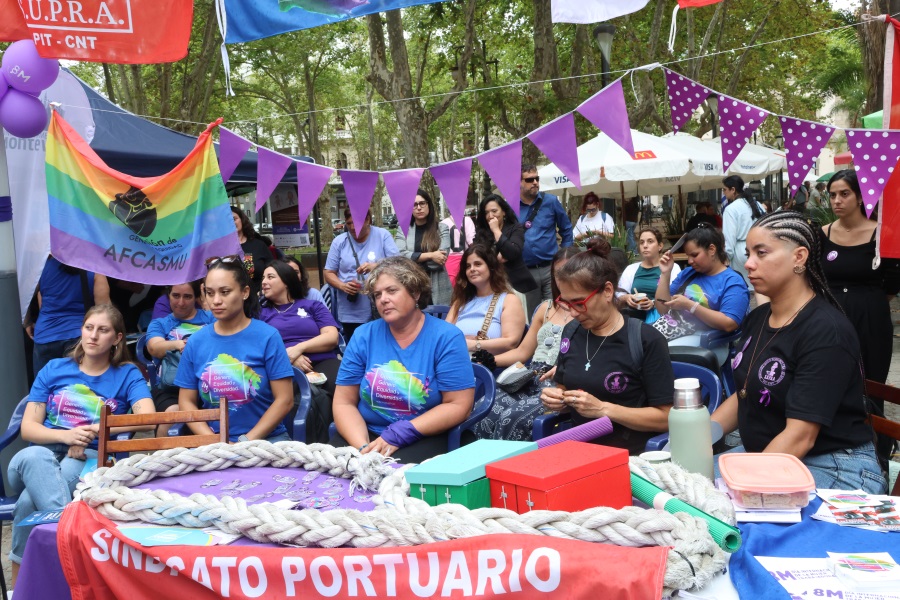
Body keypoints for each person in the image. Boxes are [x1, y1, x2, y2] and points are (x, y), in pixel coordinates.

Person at [711, 211, 886, 493]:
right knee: (682, 484)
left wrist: (743, 489)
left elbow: (800, 437)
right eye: (748, 253)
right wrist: (690, 445)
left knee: (719, 509)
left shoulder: (826, 331)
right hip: (771, 454)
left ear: (799, 257)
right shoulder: (758, 318)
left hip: (832, 466)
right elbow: (744, 393)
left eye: (761, 252)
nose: (749, 264)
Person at [9, 304, 154, 583]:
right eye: (89, 328)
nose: (93, 336)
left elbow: (148, 418)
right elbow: (29, 428)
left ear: (118, 338)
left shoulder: (126, 374)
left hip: (85, 456)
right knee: (35, 456)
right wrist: (66, 436)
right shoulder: (55, 369)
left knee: (29, 502)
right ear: (81, 330)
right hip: (39, 456)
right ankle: (72, 540)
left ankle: (21, 587)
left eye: (103, 330)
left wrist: (95, 430)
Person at [330, 256, 475, 462]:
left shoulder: (446, 337)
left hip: (423, 434)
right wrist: (364, 448)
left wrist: (402, 432)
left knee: (393, 481)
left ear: (415, 292)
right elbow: (344, 403)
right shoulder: (364, 335)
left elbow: (459, 405)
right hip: (366, 434)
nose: (383, 299)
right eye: (377, 294)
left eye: (392, 291)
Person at [539, 238, 674, 455]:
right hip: (578, 448)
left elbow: (667, 417)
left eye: (579, 303)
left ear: (608, 291)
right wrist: (559, 398)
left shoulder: (645, 340)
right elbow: (565, 386)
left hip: (629, 455)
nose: (573, 312)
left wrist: (603, 409)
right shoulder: (572, 331)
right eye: (566, 303)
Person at [175, 256, 294, 443]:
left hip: (267, 441)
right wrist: (216, 441)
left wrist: (245, 442)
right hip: (213, 445)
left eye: (225, 292)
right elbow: (186, 402)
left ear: (245, 292)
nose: (216, 300)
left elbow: (285, 400)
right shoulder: (196, 341)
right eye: (210, 292)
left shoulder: (268, 336)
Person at [474, 247, 581, 441]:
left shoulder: (587, 311)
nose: (563, 278)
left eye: (570, 271)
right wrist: (490, 360)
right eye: (558, 273)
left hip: (559, 381)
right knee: (483, 408)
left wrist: (565, 369)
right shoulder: (545, 308)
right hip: (528, 376)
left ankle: (505, 468)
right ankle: (480, 466)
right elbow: (523, 352)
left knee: (511, 419)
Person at [820, 170, 900, 385]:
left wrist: (866, 300)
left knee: (870, 382)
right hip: (831, 316)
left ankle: (871, 419)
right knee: (831, 379)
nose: (837, 200)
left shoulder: (883, 234)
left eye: (845, 194)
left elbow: (893, 280)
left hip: (871, 318)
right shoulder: (822, 234)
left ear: (861, 197)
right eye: (833, 194)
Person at [260, 260, 341, 443]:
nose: (264, 281)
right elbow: (258, 344)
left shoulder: (312, 306)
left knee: (343, 384)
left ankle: (341, 436)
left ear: (286, 281)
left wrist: (297, 349)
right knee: (294, 398)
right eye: (263, 277)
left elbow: (330, 337)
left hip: (321, 361)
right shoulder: (261, 312)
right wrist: (287, 356)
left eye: (270, 277)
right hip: (282, 367)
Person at [655, 224, 750, 345]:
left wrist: (690, 306)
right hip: (674, 331)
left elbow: (730, 323)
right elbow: (662, 308)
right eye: (688, 256)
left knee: (654, 351)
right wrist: (665, 273)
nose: (689, 261)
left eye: (694, 255)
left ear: (712, 249)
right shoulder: (688, 274)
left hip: (710, 341)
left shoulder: (732, 281)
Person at [145, 281, 214, 437]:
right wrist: (180, 344)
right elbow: (154, 348)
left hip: (209, 387)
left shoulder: (210, 319)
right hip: (172, 388)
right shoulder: (161, 323)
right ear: (168, 295)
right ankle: (163, 460)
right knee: (171, 417)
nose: (181, 302)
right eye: (175, 296)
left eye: (187, 296)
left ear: (197, 297)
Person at [324, 209, 399, 340]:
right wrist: (343, 286)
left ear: (368, 220)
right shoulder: (339, 242)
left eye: (356, 223)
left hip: (381, 305)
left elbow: (398, 264)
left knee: (383, 344)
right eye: (349, 223)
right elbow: (329, 272)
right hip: (351, 310)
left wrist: (376, 266)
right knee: (356, 348)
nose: (352, 227)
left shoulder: (382, 235)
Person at [29, 256, 110, 377]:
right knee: (78, 392)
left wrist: (27, 321)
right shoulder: (94, 268)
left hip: (45, 336)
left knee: (45, 390)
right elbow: (104, 313)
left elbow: (25, 297)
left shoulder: (41, 266)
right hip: (79, 337)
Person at [446, 244, 526, 356]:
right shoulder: (461, 301)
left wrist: (473, 344)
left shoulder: (508, 300)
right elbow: (444, 336)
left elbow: (511, 342)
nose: (472, 269)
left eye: (478, 264)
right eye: (468, 266)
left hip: (490, 367)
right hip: (456, 360)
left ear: (491, 267)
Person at [474, 194, 541, 318]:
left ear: (503, 212)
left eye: (494, 211)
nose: (490, 216)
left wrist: (496, 231)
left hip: (518, 285)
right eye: (487, 212)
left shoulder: (515, 228)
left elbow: (512, 252)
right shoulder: (481, 234)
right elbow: (478, 257)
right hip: (491, 287)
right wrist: (496, 258)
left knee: (523, 323)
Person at [518, 163, 574, 303]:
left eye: (537, 178)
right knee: (532, 316)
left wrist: (565, 257)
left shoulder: (551, 201)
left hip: (550, 269)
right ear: (518, 182)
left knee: (556, 309)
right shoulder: (511, 207)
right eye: (529, 180)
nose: (535, 182)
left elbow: (566, 229)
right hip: (525, 272)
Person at [394, 189, 452, 305]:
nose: (419, 208)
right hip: (411, 286)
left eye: (422, 203)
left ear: (429, 205)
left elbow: (439, 261)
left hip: (437, 287)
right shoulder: (403, 230)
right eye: (414, 205)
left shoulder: (441, 228)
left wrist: (414, 260)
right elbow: (400, 256)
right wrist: (431, 255)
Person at [617, 227, 681, 322]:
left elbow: (678, 295)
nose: (645, 246)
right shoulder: (631, 269)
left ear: (660, 246)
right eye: (642, 242)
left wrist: (654, 303)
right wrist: (627, 298)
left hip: (662, 319)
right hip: (634, 317)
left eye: (650, 241)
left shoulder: (672, 267)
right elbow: (618, 294)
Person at [721, 175, 765, 303]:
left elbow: (728, 238)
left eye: (724, 189)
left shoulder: (731, 209)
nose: (723, 193)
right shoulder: (757, 205)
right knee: (759, 287)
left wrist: (725, 259)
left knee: (744, 289)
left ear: (733, 189)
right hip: (760, 249)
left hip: (741, 251)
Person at [231, 205, 272, 299]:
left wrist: (263, 292)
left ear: (242, 219)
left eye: (234, 219)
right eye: (227, 220)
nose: (231, 222)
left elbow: (273, 270)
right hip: (232, 300)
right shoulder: (220, 248)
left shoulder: (259, 245)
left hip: (259, 298)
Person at [440, 212, 475, 285]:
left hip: (448, 261)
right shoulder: (467, 220)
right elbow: (471, 242)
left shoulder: (443, 223)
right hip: (464, 259)